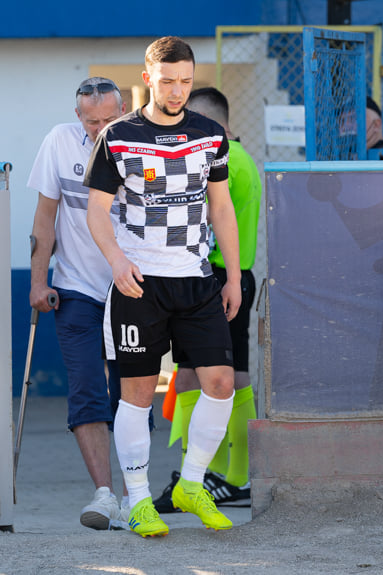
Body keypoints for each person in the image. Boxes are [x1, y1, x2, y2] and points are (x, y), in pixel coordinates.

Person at [85, 36, 242, 538]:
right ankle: (137, 501)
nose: (177, 91)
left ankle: (190, 485)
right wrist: (115, 261)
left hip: (197, 282)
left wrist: (233, 274)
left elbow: (221, 208)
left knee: (220, 383)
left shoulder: (211, 135)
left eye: (186, 82)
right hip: (139, 286)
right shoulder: (117, 134)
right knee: (136, 395)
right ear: (148, 77)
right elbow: (96, 211)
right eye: (169, 81)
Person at [153, 87, 260, 512]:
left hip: (215, 277)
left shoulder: (223, 162)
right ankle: (228, 475)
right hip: (230, 275)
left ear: (214, 125)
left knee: (205, 376)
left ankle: (207, 477)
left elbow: (196, 218)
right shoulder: (240, 157)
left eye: (190, 122)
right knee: (228, 373)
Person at [27, 77, 128, 530]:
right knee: (87, 387)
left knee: (131, 397)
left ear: (124, 112)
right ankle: (105, 495)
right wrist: (37, 281)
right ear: (78, 117)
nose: (101, 130)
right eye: (92, 122)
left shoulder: (140, 144)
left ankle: (134, 496)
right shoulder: (59, 142)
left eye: (110, 120)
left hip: (131, 288)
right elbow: (45, 217)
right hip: (76, 288)